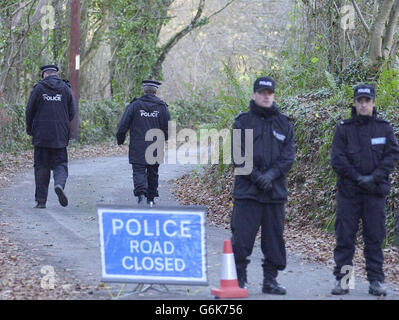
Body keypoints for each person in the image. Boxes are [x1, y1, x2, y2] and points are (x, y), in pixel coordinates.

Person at [331, 84, 399, 296]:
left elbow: (392, 155)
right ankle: (344, 281)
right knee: (345, 238)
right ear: (354, 103)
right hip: (349, 193)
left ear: (373, 102)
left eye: (367, 100)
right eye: (359, 100)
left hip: (375, 193)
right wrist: (358, 177)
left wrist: (374, 177)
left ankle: (376, 281)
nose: (363, 104)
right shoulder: (344, 128)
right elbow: (338, 159)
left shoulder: (384, 128)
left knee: (374, 238)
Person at [231, 76, 296, 294]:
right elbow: (238, 156)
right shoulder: (243, 122)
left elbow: (288, 157)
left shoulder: (284, 123)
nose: (266, 97)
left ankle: (271, 280)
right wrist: (257, 177)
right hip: (247, 192)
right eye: (262, 93)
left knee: (274, 240)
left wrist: (271, 175)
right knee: (241, 239)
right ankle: (239, 279)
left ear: (273, 95)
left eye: (269, 93)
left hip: (274, 192)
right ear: (254, 95)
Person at [26, 64, 76, 209]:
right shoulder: (66, 89)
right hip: (59, 135)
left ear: (44, 74)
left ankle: (41, 201)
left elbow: (29, 111)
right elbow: (72, 111)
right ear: (55, 74)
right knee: (60, 164)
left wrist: (30, 128)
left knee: (41, 167)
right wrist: (64, 124)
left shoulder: (38, 89)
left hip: (41, 135)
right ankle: (59, 184)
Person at [116, 80, 171, 206]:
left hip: (138, 144)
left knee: (139, 170)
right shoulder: (162, 107)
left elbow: (122, 125)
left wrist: (120, 139)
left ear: (144, 91)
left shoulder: (134, 106)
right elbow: (168, 128)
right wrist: (165, 138)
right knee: (153, 171)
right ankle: (151, 198)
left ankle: (141, 195)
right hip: (156, 144)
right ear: (156, 92)